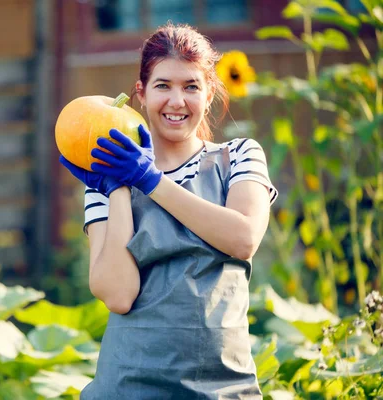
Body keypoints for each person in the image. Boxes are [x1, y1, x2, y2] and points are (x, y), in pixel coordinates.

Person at [60, 22, 278, 399]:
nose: (177, 101)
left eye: (191, 86)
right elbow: (118, 295)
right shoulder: (111, 180)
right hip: (127, 389)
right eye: (163, 86)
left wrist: (150, 180)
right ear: (141, 95)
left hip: (223, 388)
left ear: (209, 94)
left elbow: (242, 239)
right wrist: (118, 190)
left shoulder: (238, 157)